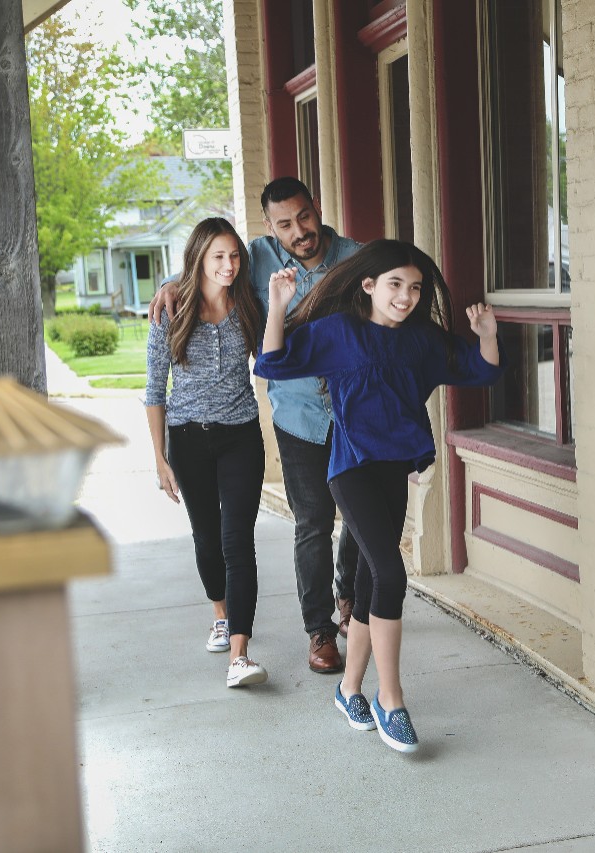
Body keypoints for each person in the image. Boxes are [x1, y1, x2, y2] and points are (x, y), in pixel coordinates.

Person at [253, 239, 502, 753]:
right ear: (367, 285)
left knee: (370, 582)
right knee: (390, 574)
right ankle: (392, 699)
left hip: (396, 469)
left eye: (414, 288)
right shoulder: (338, 333)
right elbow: (273, 363)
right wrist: (277, 306)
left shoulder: (421, 341)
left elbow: (483, 372)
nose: (406, 296)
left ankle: (349, 691)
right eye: (395, 285)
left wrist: (487, 336)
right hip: (351, 467)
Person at [150, 177, 359, 674]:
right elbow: (213, 258)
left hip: (352, 412)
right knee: (308, 523)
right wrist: (172, 284)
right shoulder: (257, 256)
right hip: (296, 415)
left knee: (355, 517)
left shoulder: (354, 258)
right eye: (284, 223)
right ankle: (318, 632)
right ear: (269, 227)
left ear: (318, 209)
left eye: (304, 217)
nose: (298, 230)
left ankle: (346, 595)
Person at [145, 217, 268, 688]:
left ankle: (240, 652)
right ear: (198, 259)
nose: (229, 265)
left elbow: (272, 355)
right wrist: (161, 459)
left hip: (240, 434)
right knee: (207, 537)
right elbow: (155, 390)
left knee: (238, 539)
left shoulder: (248, 306)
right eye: (218, 256)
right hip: (188, 439)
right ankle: (220, 612)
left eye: (234, 255)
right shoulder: (171, 310)